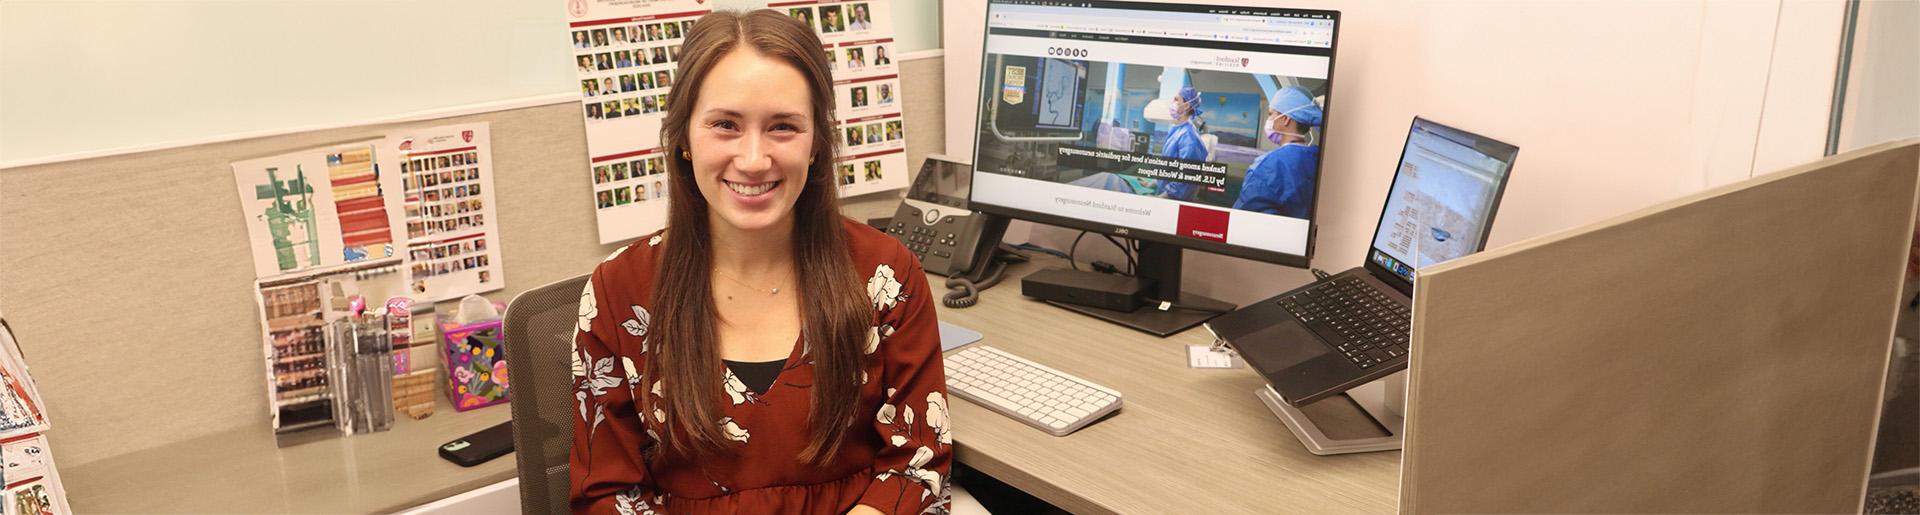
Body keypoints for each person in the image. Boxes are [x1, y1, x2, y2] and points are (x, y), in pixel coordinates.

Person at [570, 9, 950, 515]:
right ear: (684, 136)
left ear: (817, 143)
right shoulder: (619, 290)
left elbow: (917, 465)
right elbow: (607, 494)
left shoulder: (885, 274)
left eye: (783, 127)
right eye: (725, 125)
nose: (753, 159)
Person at [1232, 86, 1323, 219]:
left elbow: (1244, 220)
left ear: (1286, 119)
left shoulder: (1268, 166)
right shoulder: (1317, 158)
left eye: (1271, 114)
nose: (1269, 120)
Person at [1155, 86, 1207, 201]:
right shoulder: (1177, 130)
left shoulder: (1189, 137)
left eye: (1176, 99)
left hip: (1174, 200)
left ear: (1187, 105)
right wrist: (1155, 183)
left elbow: (1186, 177)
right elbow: (1169, 168)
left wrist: (1163, 197)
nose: (1172, 102)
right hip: (1164, 192)